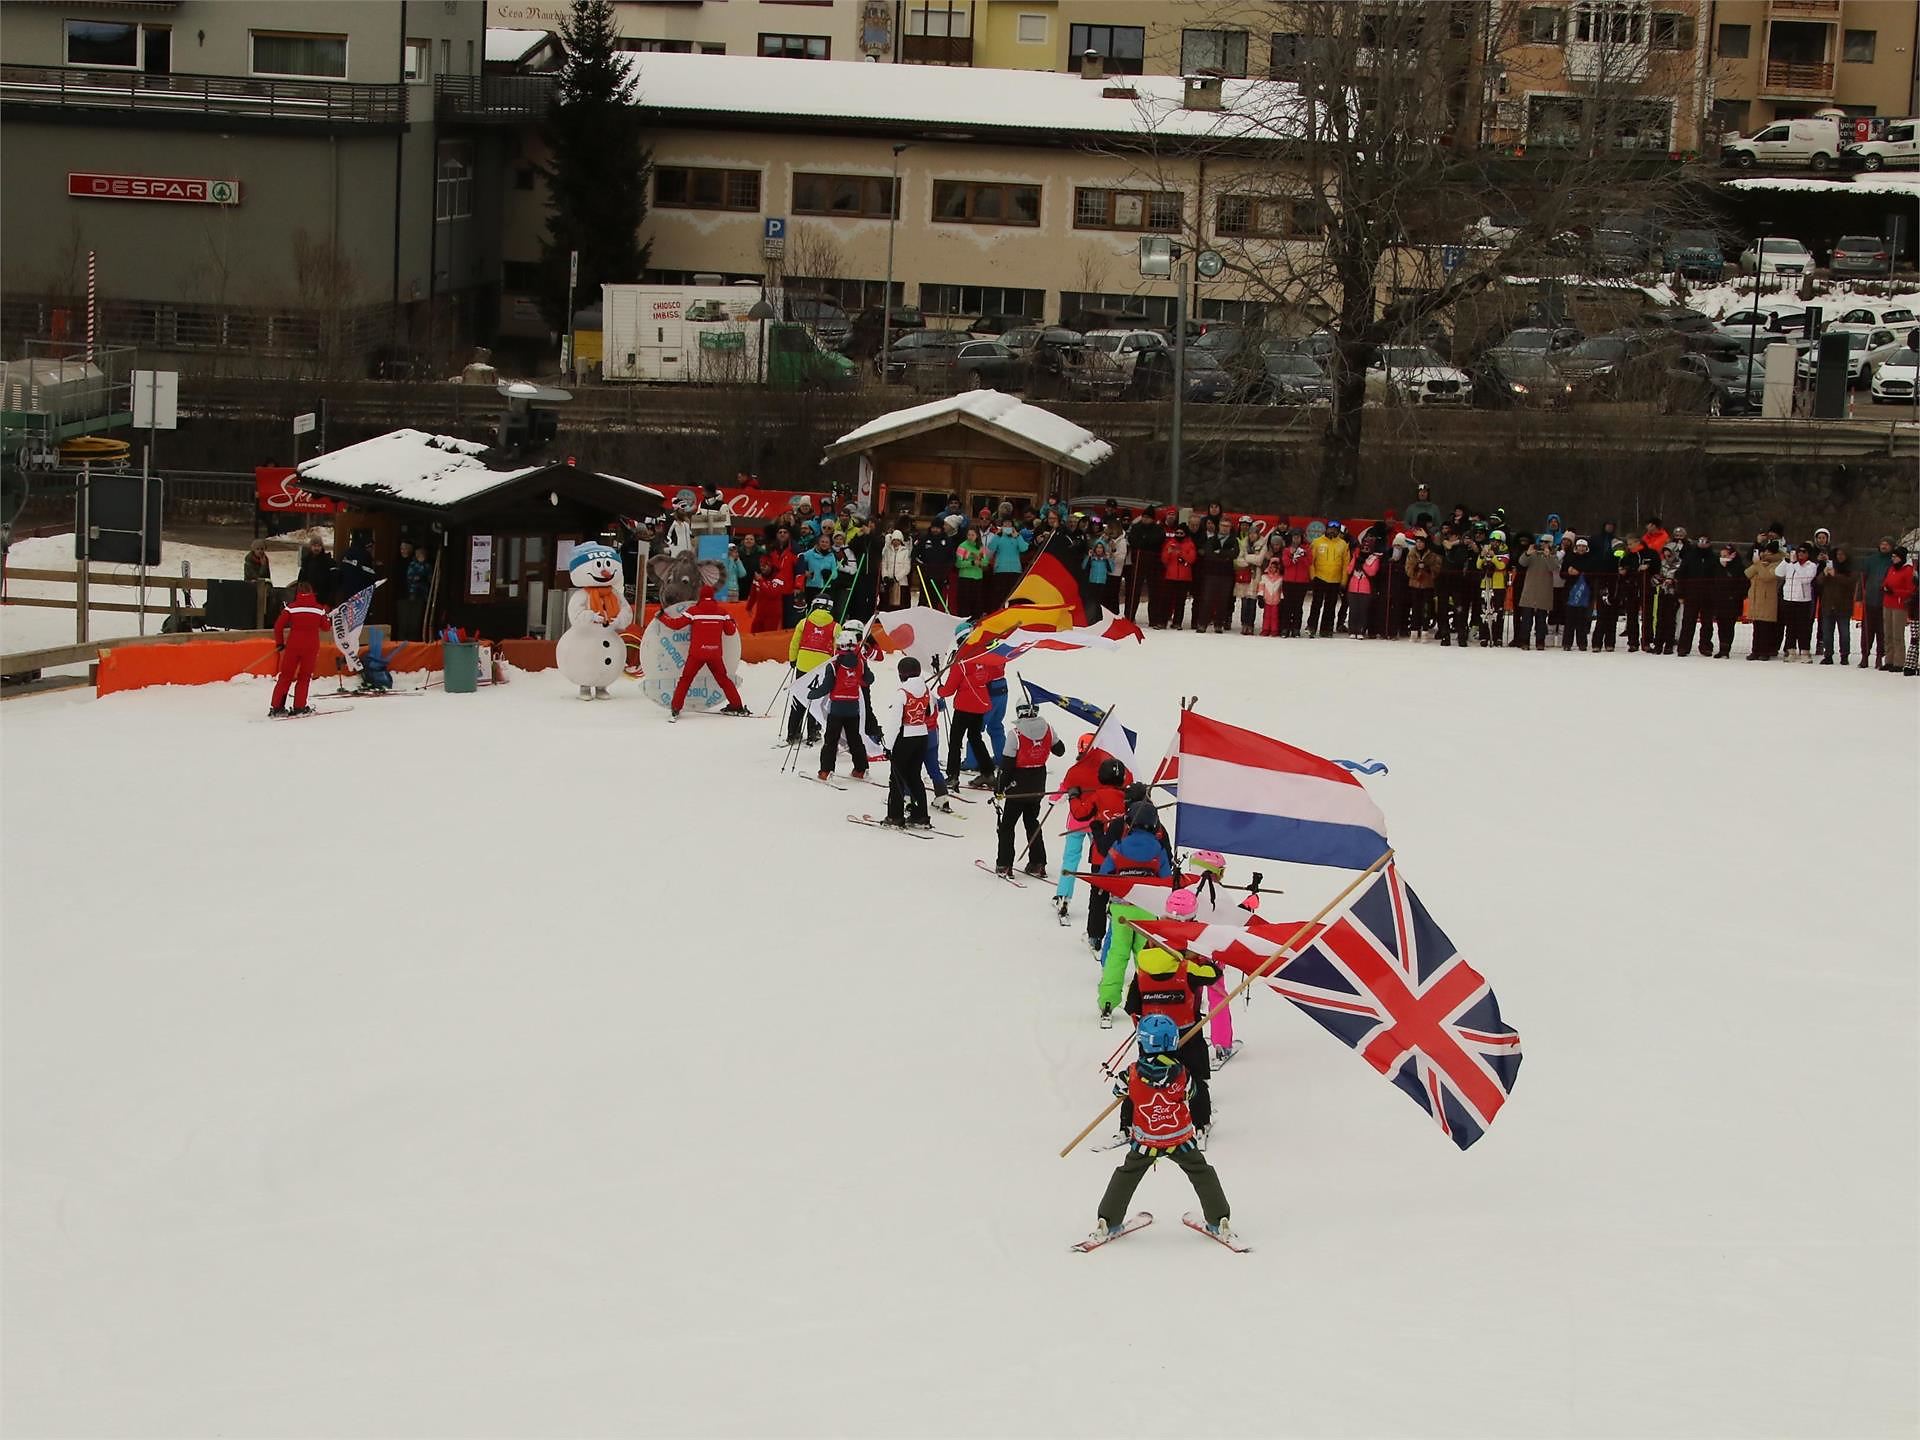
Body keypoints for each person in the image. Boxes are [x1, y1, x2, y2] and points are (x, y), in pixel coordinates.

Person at [1089, 1013, 1233, 1248]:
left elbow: (1118, 1092)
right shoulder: (1181, 1073)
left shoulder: (1132, 1073)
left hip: (1146, 1140)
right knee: (1201, 1172)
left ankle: (1108, 1220)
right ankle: (1219, 1219)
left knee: (1126, 1175)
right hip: (1180, 1138)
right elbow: (1192, 1093)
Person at [1123, 887, 1219, 1134]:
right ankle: (1200, 1124)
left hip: (1151, 1035)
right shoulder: (1188, 966)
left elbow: (1132, 1003)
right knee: (1196, 1077)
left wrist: (1142, 1026)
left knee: (1143, 1076)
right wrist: (1205, 961)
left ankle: (1128, 1124)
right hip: (1187, 1030)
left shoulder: (1145, 958)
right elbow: (1212, 975)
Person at [1095, 801, 1173, 1026]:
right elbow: (1166, 879)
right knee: (1145, 955)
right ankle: (1151, 999)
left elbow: (1105, 873)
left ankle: (1108, 1002)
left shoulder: (1120, 845)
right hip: (1147, 909)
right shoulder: (1158, 848)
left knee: (1117, 954)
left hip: (1121, 909)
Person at [656, 584, 749, 719]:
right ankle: (737, 705)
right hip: (715, 654)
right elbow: (730, 631)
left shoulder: (694, 611)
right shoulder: (722, 612)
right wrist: (732, 622)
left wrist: (662, 616)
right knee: (723, 679)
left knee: (685, 680)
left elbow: (675, 625)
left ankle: (676, 707)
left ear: (700, 596)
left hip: (697, 654)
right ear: (712, 596)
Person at [995, 702, 1064, 878]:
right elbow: (1060, 750)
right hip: (1037, 785)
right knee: (1032, 822)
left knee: (1007, 826)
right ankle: (1038, 862)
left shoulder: (1015, 734)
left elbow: (1007, 765)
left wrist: (999, 788)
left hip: (1017, 787)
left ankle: (1004, 864)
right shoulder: (1048, 729)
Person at [808, 631, 872, 780]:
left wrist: (813, 693)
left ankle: (826, 771)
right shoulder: (860, 662)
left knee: (831, 740)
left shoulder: (833, 664)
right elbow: (869, 679)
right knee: (854, 739)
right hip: (853, 708)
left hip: (837, 708)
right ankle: (861, 769)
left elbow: (827, 687)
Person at [880, 657, 933, 827]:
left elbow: (894, 723)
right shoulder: (926, 690)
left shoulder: (902, 693)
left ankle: (895, 816)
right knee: (914, 776)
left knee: (896, 778)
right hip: (922, 736)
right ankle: (920, 815)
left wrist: (888, 746)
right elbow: (929, 712)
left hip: (905, 737)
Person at [268, 579, 328, 716]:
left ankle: (277, 707)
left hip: (293, 646)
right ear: (312, 592)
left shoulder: (291, 607)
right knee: (304, 677)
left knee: (285, 677)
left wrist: (280, 643)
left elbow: (278, 626)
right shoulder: (319, 609)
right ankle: (299, 707)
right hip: (311, 648)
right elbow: (326, 627)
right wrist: (326, 615)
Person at [785, 596, 837, 744]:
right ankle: (813, 732)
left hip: (803, 664)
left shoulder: (804, 622)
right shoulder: (835, 626)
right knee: (817, 699)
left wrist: (793, 659)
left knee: (799, 697)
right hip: (822, 667)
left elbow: (795, 643)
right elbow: (837, 647)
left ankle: (792, 732)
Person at [943, 652, 996, 787]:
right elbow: (990, 676)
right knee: (975, 737)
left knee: (955, 740)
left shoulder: (961, 663)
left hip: (964, 707)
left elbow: (948, 690)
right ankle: (988, 772)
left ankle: (952, 776)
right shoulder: (983, 658)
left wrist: (940, 690)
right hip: (980, 704)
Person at [1774, 543, 1818, 663]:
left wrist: (1795, 564)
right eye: (1799, 551)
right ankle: (1791, 650)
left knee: (1803, 627)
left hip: (1803, 600)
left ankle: (1804, 651)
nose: (1801, 554)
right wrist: (1786, 561)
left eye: (1804, 552)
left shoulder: (1811, 565)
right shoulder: (1790, 564)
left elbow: (1805, 579)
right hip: (1788, 599)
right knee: (1790, 627)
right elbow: (1778, 573)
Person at [1512, 536, 1555, 650]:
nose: (1542, 544)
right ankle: (1524, 641)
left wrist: (1548, 555)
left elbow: (1554, 567)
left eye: (1546, 542)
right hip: (1529, 590)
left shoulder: (1553, 555)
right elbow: (1522, 563)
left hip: (1544, 591)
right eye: (1541, 542)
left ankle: (1540, 642)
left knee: (1541, 620)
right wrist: (1527, 553)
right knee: (1526, 619)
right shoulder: (1532, 554)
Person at [1307, 522, 1349, 637]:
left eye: (1335, 529)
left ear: (1338, 531)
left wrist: (1343, 581)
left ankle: (1326, 629)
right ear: (1326, 529)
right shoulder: (1317, 542)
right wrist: (1312, 576)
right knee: (1316, 604)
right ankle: (1311, 626)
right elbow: (1311, 562)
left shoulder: (1343, 545)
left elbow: (1346, 565)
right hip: (1320, 578)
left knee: (1330, 606)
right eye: (1330, 528)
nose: (1332, 531)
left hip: (1335, 580)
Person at [1744, 543, 1783, 662]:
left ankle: (1765, 651)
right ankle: (1755, 650)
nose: (1765, 554)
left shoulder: (1777, 564)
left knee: (1766, 628)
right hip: (1756, 599)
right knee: (1757, 627)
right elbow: (1747, 573)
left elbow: (1768, 576)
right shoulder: (1760, 563)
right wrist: (1758, 564)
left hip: (1768, 600)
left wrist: (1758, 565)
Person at [1860, 536, 1894, 669]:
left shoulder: (1892, 561)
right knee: (1867, 629)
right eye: (1882, 544)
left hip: (1884, 601)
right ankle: (1864, 656)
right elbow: (1863, 578)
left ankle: (1880, 656)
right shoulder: (1870, 560)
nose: (1884, 546)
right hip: (1869, 599)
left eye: (1887, 544)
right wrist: (1861, 594)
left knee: (1882, 630)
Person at [1816, 547, 1854, 665]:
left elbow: (1850, 582)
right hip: (1828, 604)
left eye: (1842, 554)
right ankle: (1828, 654)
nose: (1840, 556)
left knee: (1844, 633)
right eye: (1838, 554)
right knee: (1827, 633)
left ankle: (1844, 655)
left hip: (1843, 606)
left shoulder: (1850, 568)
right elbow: (1818, 581)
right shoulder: (1830, 567)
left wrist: (1835, 575)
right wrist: (1824, 573)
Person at [1881, 546, 1915, 673]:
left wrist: (1894, 591)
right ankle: (1889, 660)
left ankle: (1899, 661)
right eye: (1892, 557)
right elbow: (1885, 582)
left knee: (1897, 634)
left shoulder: (1908, 570)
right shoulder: (1891, 569)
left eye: (1895, 557)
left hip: (1899, 606)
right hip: (1888, 603)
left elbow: (1910, 591)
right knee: (1888, 633)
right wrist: (1884, 587)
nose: (1893, 559)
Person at [1158, 524, 1196, 629]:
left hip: (1184, 577)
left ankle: (1177, 622)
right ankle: (1162, 621)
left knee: (1180, 601)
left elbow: (1191, 559)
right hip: (1170, 576)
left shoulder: (1190, 544)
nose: (1179, 535)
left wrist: (1180, 552)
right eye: (1177, 533)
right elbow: (1164, 559)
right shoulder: (1170, 543)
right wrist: (1169, 553)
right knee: (1166, 600)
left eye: (1181, 533)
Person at [983, 521, 1029, 609]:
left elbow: (1024, 548)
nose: (1007, 527)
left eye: (1009, 526)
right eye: (1005, 526)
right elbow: (991, 547)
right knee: (999, 595)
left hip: (1015, 570)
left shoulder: (1017, 537)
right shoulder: (999, 537)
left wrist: (1018, 536)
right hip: (1000, 570)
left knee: (1013, 596)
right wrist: (997, 535)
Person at [1560, 538, 1593, 650]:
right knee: (1569, 619)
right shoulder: (1569, 558)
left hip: (1585, 592)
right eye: (1579, 546)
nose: (1581, 548)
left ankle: (1582, 643)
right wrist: (1569, 572)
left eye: (1584, 546)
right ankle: (1567, 643)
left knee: (1582, 620)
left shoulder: (1590, 559)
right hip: (1571, 591)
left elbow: (1593, 573)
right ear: (1576, 547)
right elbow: (1562, 574)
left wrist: (1579, 572)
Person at [1278, 529, 1311, 637]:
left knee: (1298, 606)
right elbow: (1286, 564)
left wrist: (1302, 555)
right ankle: (1285, 628)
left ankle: (1296, 628)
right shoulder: (1287, 550)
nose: (1296, 539)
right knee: (1287, 605)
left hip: (1302, 582)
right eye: (1294, 537)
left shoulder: (1307, 549)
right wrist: (1292, 555)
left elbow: (1309, 563)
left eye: (1298, 537)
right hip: (1289, 581)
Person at [879, 529, 913, 609]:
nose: (895, 542)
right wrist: (885, 576)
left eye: (897, 540)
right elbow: (884, 564)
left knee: (900, 604)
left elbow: (906, 568)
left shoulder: (905, 552)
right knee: (888, 604)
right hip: (889, 582)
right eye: (894, 540)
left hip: (901, 583)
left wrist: (896, 578)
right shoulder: (888, 551)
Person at [1256, 556, 1285, 637]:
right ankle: (1265, 629)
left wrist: (1282, 599)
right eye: (1271, 567)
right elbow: (1261, 587)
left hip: (1276, 601)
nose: (1272, 569)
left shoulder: (1280, 578)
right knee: (1266, 616)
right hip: (1267, 600)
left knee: (1275, 616)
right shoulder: (1264, 577)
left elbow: (1282, 590)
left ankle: (1274, 630)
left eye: (1274, 567)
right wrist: (1260, 596)